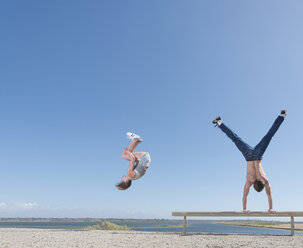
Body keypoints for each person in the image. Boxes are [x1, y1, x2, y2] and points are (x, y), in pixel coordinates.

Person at [212, 110, 287, 213]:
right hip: (248, 156)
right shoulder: (249, 181)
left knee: (269, 135)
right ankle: (219, 123)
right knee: (235, 139)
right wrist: (244, 209)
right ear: (254, 185)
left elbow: (269, 195)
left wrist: (271, 208)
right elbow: (245, 196)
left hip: (258, 154)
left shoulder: (265, 180)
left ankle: (282, 115)